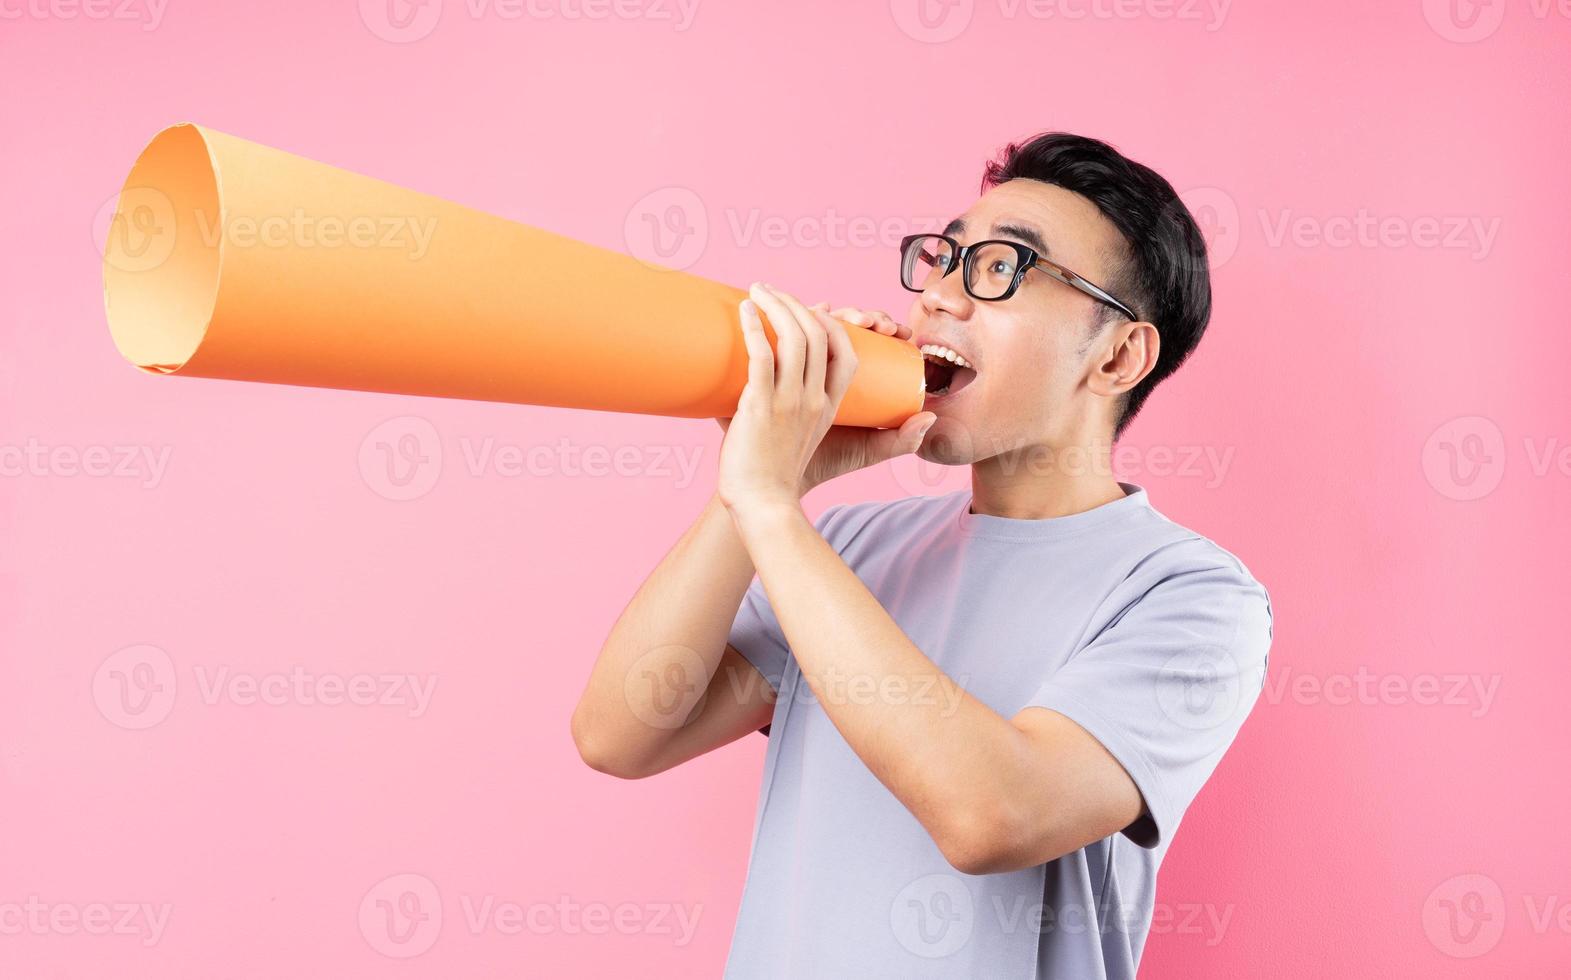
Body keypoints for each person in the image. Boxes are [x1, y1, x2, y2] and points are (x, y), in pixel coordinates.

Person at [570, 132, 1273, 978]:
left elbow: (990, 817)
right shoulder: (846, 549)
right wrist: (758, 490)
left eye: (1001, 267)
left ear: (1118, 355)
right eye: (945, 258)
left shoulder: (1189, 598)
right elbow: (622, 734)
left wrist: (769, 506)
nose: (940, 298)